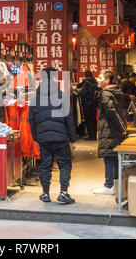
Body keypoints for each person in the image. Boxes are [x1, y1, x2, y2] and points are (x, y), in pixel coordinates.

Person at [29, 67, 77, 204]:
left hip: (43, 138)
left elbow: (31, 119)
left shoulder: (35, 97)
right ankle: (63, 193)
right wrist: (73, 139)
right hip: (60, 138)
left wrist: (35, 137)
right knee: (65, 164)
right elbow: (69, 119)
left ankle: (45, 193)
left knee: (45, 165)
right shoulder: (61, 96)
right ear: (55, 78)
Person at [93, 73, 127, 195]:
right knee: (114, 157)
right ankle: (115, 185)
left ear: (107, 80)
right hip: (115, 130)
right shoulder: (115, 92)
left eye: (100, 78)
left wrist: (120, 127)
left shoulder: (106, 93)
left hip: (109, 129)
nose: (98, 80)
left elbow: (111, 111)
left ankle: (109, 186)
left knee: (109, 157)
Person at [77, 70, 98, 140]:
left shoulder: (87, 82)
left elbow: (81, 93)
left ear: (85, 75)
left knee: (88, 120)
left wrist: (77, 92)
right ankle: (94, 135)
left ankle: (91, 136)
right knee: (93, 120)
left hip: (87, 104)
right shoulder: (94, 81)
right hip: (94, 104)